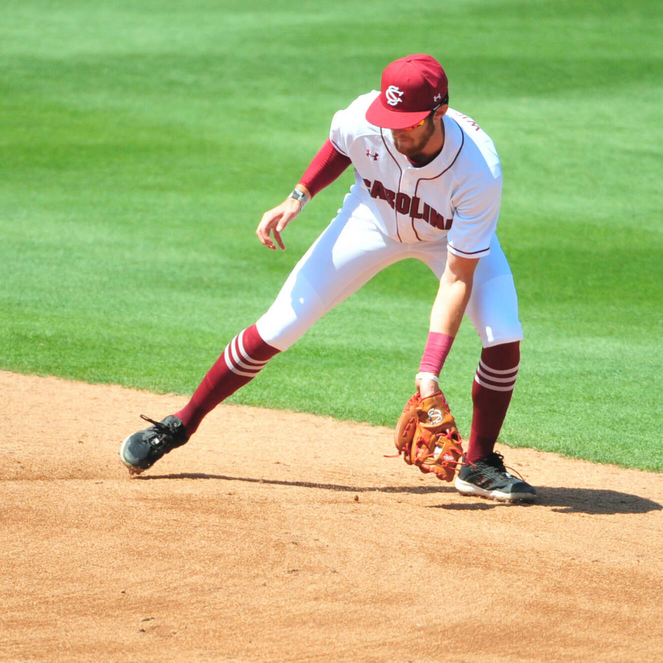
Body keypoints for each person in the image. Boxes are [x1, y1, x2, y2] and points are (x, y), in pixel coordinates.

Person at [120, 54, 534, 502]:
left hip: (447, 242)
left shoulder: (477, 170)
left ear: (440, 112)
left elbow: (456, 279)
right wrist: (298, 195)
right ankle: (181, 423)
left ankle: (478, 463)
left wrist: (428, 372)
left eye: (410, 123)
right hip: (371, 222)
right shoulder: (366, 117)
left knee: (503, 333)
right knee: (279, 325)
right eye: (392, 119)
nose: (397, 131)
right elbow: (341, 145)